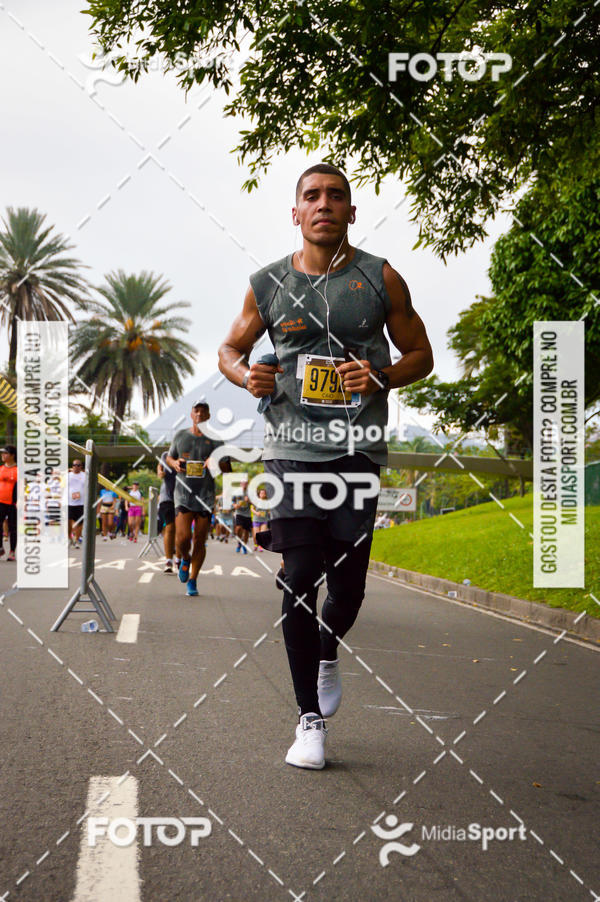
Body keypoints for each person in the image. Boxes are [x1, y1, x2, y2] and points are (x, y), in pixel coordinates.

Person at [218, 163, 433, 769]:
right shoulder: (267, 283)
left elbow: (422, 354)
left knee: (347, 588)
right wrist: (245, 375)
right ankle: (308, 720)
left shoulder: (380, 278)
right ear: (295, 213)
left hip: (356, 450)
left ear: (351, 212)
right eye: (311, 196)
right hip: (289, 449)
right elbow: (231, 349)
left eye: (335, 196)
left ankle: (327, 645)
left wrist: (383, 374)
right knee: (299, 572)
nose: (323, 204)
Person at [166, 402, 231, 597]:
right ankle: (184, 558)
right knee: (183, 538)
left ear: (209, 416)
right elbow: (169, 458)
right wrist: (175, 463)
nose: (200, 414)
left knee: (200, 539)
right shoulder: (180, 436)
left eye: (204, 411)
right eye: (196, 411)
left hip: (206, 495)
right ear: (191, 414)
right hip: (184, 494)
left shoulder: (217, 440)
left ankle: (193, 580)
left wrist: (217, 462)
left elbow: (228, 469)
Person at [157, 451, 176, 572]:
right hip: (168, 497)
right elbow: (160, 464)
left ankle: (179, 557)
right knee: (170, 527)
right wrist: (159, 471)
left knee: (181, 531)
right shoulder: (166, 454)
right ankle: (169, 560)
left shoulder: (191, 455)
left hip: (185, 497)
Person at [0, 445, 17, 561]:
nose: (3, 455)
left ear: (12, 455)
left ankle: (12, 552)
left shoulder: (18, 470)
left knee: (12, 528)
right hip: (0, 502)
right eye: (2, 453)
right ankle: (0, 548)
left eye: (5, 453)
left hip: (12, 503)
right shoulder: (1, 468)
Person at [68, 458, 86, 547]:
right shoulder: (68, 475)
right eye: (74, 465)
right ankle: (69, 538)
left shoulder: (84, 475)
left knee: (80, 523)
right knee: (68, 521)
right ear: (72, 466)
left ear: (81, 466)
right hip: (70, 502)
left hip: (81, 503)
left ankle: (77, 539)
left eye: (78, 465)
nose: (76, 467)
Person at [232, 479, 251, 554]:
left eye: (245, 483)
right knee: (238, 528)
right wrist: (235, 505)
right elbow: (233, 501)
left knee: (246, 531)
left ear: (247, 484)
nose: (244, 484)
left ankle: (244, 545)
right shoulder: (236, 492)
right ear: (240, 484)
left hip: (247, 514)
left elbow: (255, 503)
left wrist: (248, 500)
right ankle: (239, 543)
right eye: (242, 483)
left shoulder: (250, 492)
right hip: (239, 513)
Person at [251, 486, 270, 551]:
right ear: (259, 494)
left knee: (262, 533)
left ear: (265, 494)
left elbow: (269, 510)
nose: (262, 494)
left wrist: (269, 512)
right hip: (256, 519)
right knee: (256, 534)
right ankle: (256, 544)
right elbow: (252, 509)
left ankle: (261, 546)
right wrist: (256, 513)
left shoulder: (267, 502)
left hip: (264, 519)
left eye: (264, 493)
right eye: (261, 493)